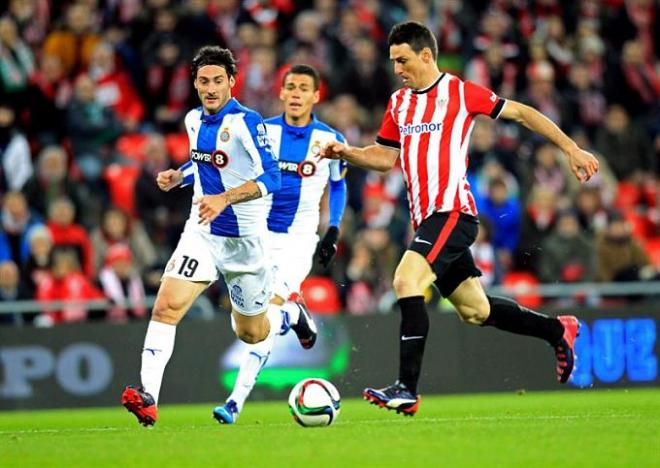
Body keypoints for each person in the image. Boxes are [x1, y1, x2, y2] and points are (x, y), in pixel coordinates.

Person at [320, 21, 600, 416]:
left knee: (406, 279)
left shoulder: (459, 92)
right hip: (428, 221)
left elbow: (519, 113)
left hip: (453, 211)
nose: (397, 69)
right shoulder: (399, 103)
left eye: (402, 60)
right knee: (475, 311)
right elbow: (384, 158)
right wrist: (344, 152)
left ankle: (406, 389)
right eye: (393, 62)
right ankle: (558, 330)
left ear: (426, 55)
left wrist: (571, 148)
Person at [121, 46, 317, 427]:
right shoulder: (193, 119)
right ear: (194, 84)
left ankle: (290, 313)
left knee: (251, 332)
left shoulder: (247, 122)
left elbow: (272, 177)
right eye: (203, 81)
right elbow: (203, 162)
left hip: (246, 245)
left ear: (231, 82)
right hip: (204, 233)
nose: (210, 88)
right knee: (166, 306)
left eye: (217, 81)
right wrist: (180, 175)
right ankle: (148, 397)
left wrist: (225, 198)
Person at [212, 64, 347, 424]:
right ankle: (294, 314)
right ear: (282, 93)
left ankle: (235, 402)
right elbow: (219, 157)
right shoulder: (263, 131)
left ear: (317, 96)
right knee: (245, 326)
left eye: (305, 87)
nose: (297, 93)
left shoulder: (330, 140)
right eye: (291, 86)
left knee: (268, 311)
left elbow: (338, 185)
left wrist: (333, 229)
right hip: (256, 236)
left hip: (298, 239)